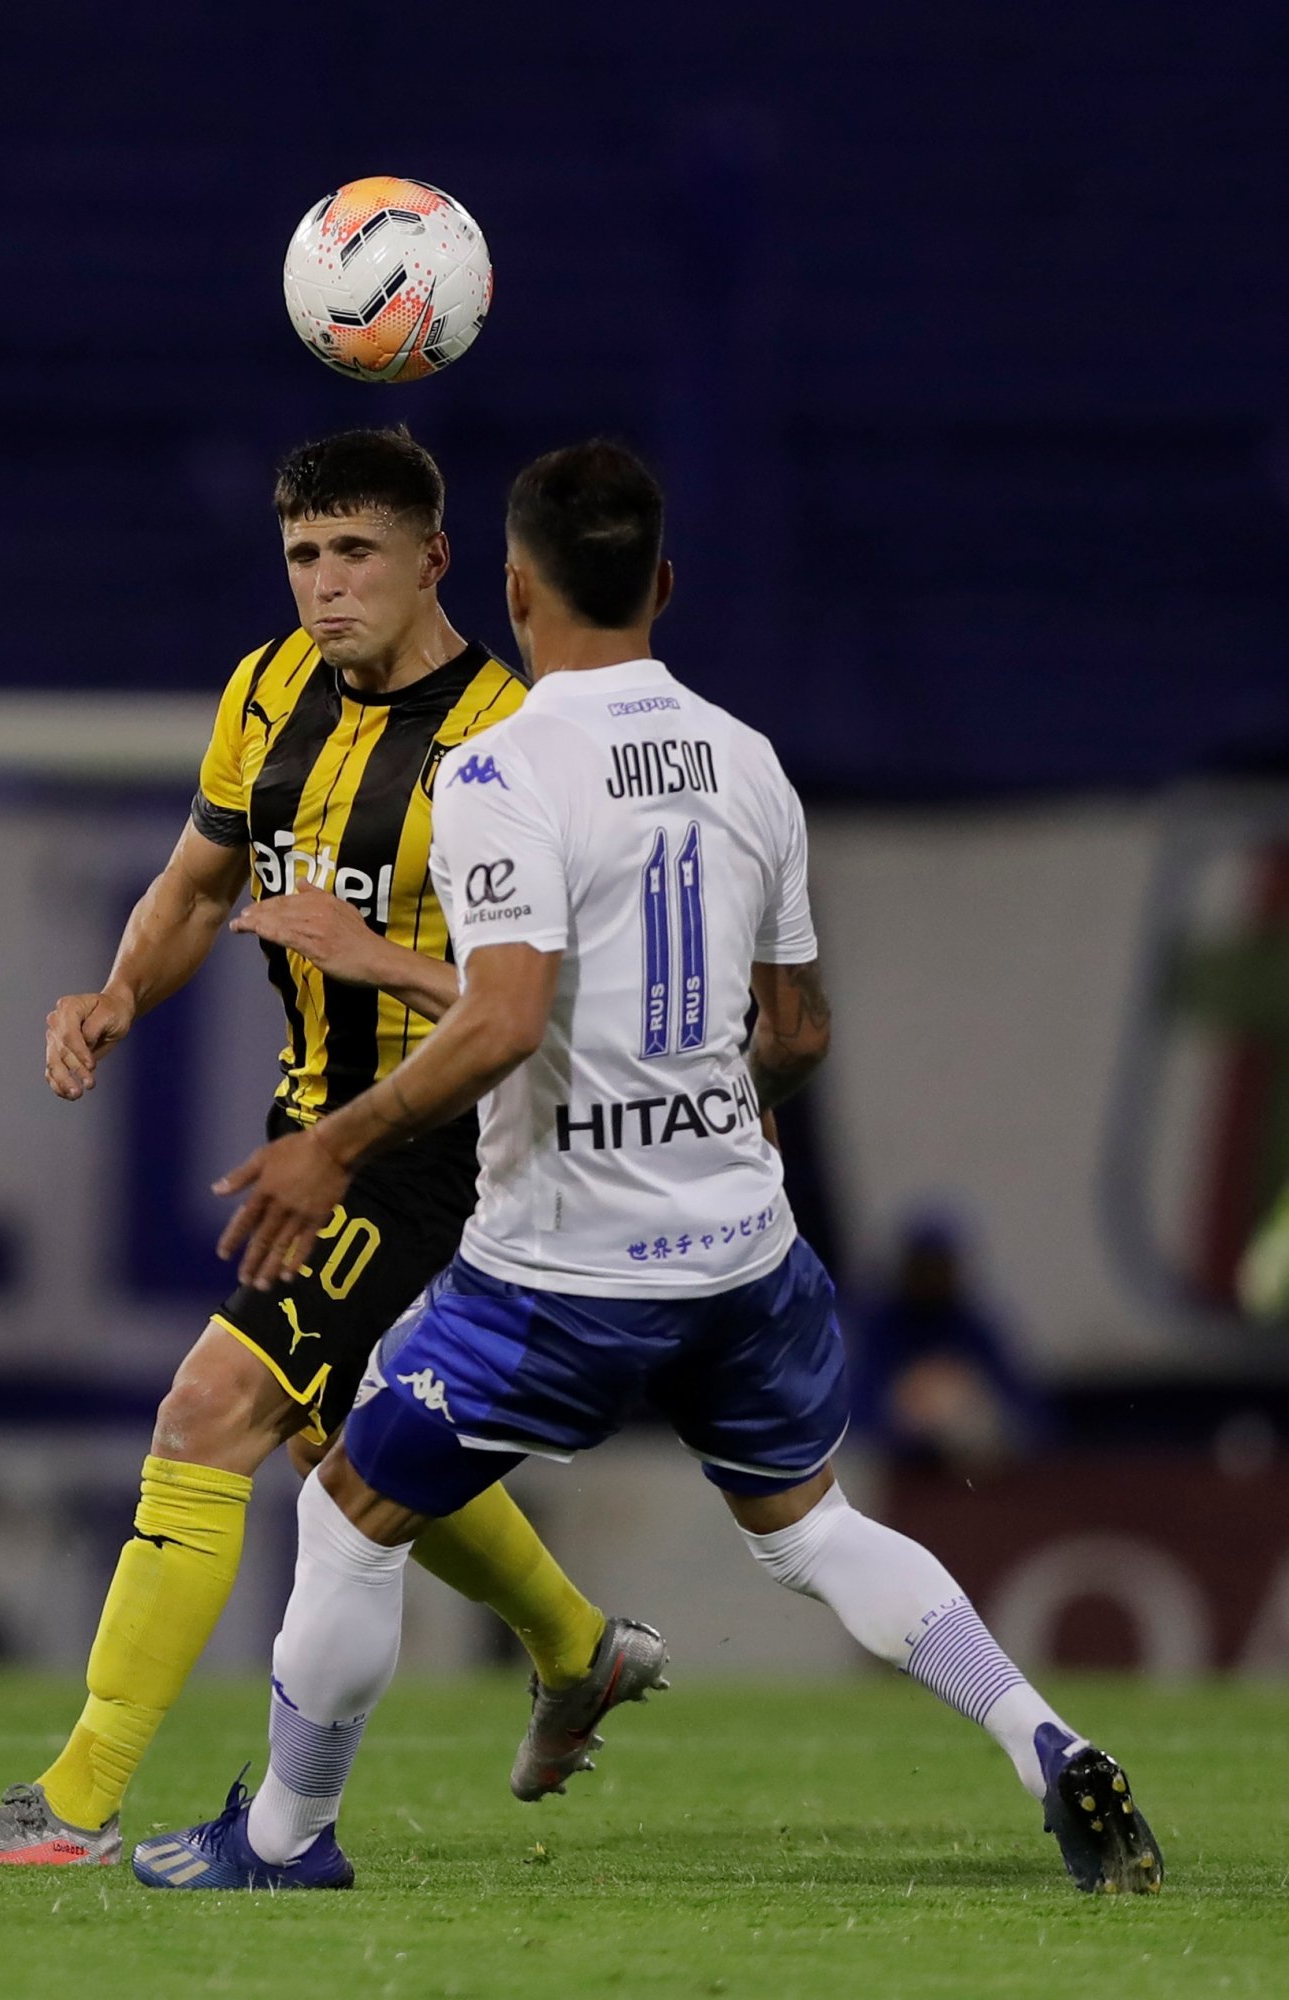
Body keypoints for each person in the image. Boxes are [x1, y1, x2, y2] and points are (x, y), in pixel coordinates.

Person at [134, 439, 1163, 1900]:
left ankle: (283, 1842)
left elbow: (500, 1020)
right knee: (814, 1531)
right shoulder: (748, 760)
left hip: (555, 1269)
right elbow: (797, 1031)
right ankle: (1044, 1741)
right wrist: (698, 1117)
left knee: (346, 1508)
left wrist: (331, 1141)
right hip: (741, 1247)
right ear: (662, 585)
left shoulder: (497, 767)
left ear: (508, 587)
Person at [0, 427, 662, 1870]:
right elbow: (193, 886)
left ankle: (70, 1804)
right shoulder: (266, 691)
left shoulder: (510, 742)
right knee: (337, 1440)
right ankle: (577, 1649)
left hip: (440, 1148)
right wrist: (120, 988)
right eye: (304, 555)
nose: (324, 585)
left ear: (436, 561)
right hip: (307, 1136)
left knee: (206, 1414)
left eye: (356, 553)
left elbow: (561, 1007)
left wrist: (374, 958)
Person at [851, 1215, 1050, 1471]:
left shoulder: (973, 1324)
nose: (932, 1277)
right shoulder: (881, 1324)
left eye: (940, 1266)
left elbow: (1028, 1410)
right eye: (924, 1266)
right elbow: (860, 1407)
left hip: (967, 1465)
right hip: (898, 1463)